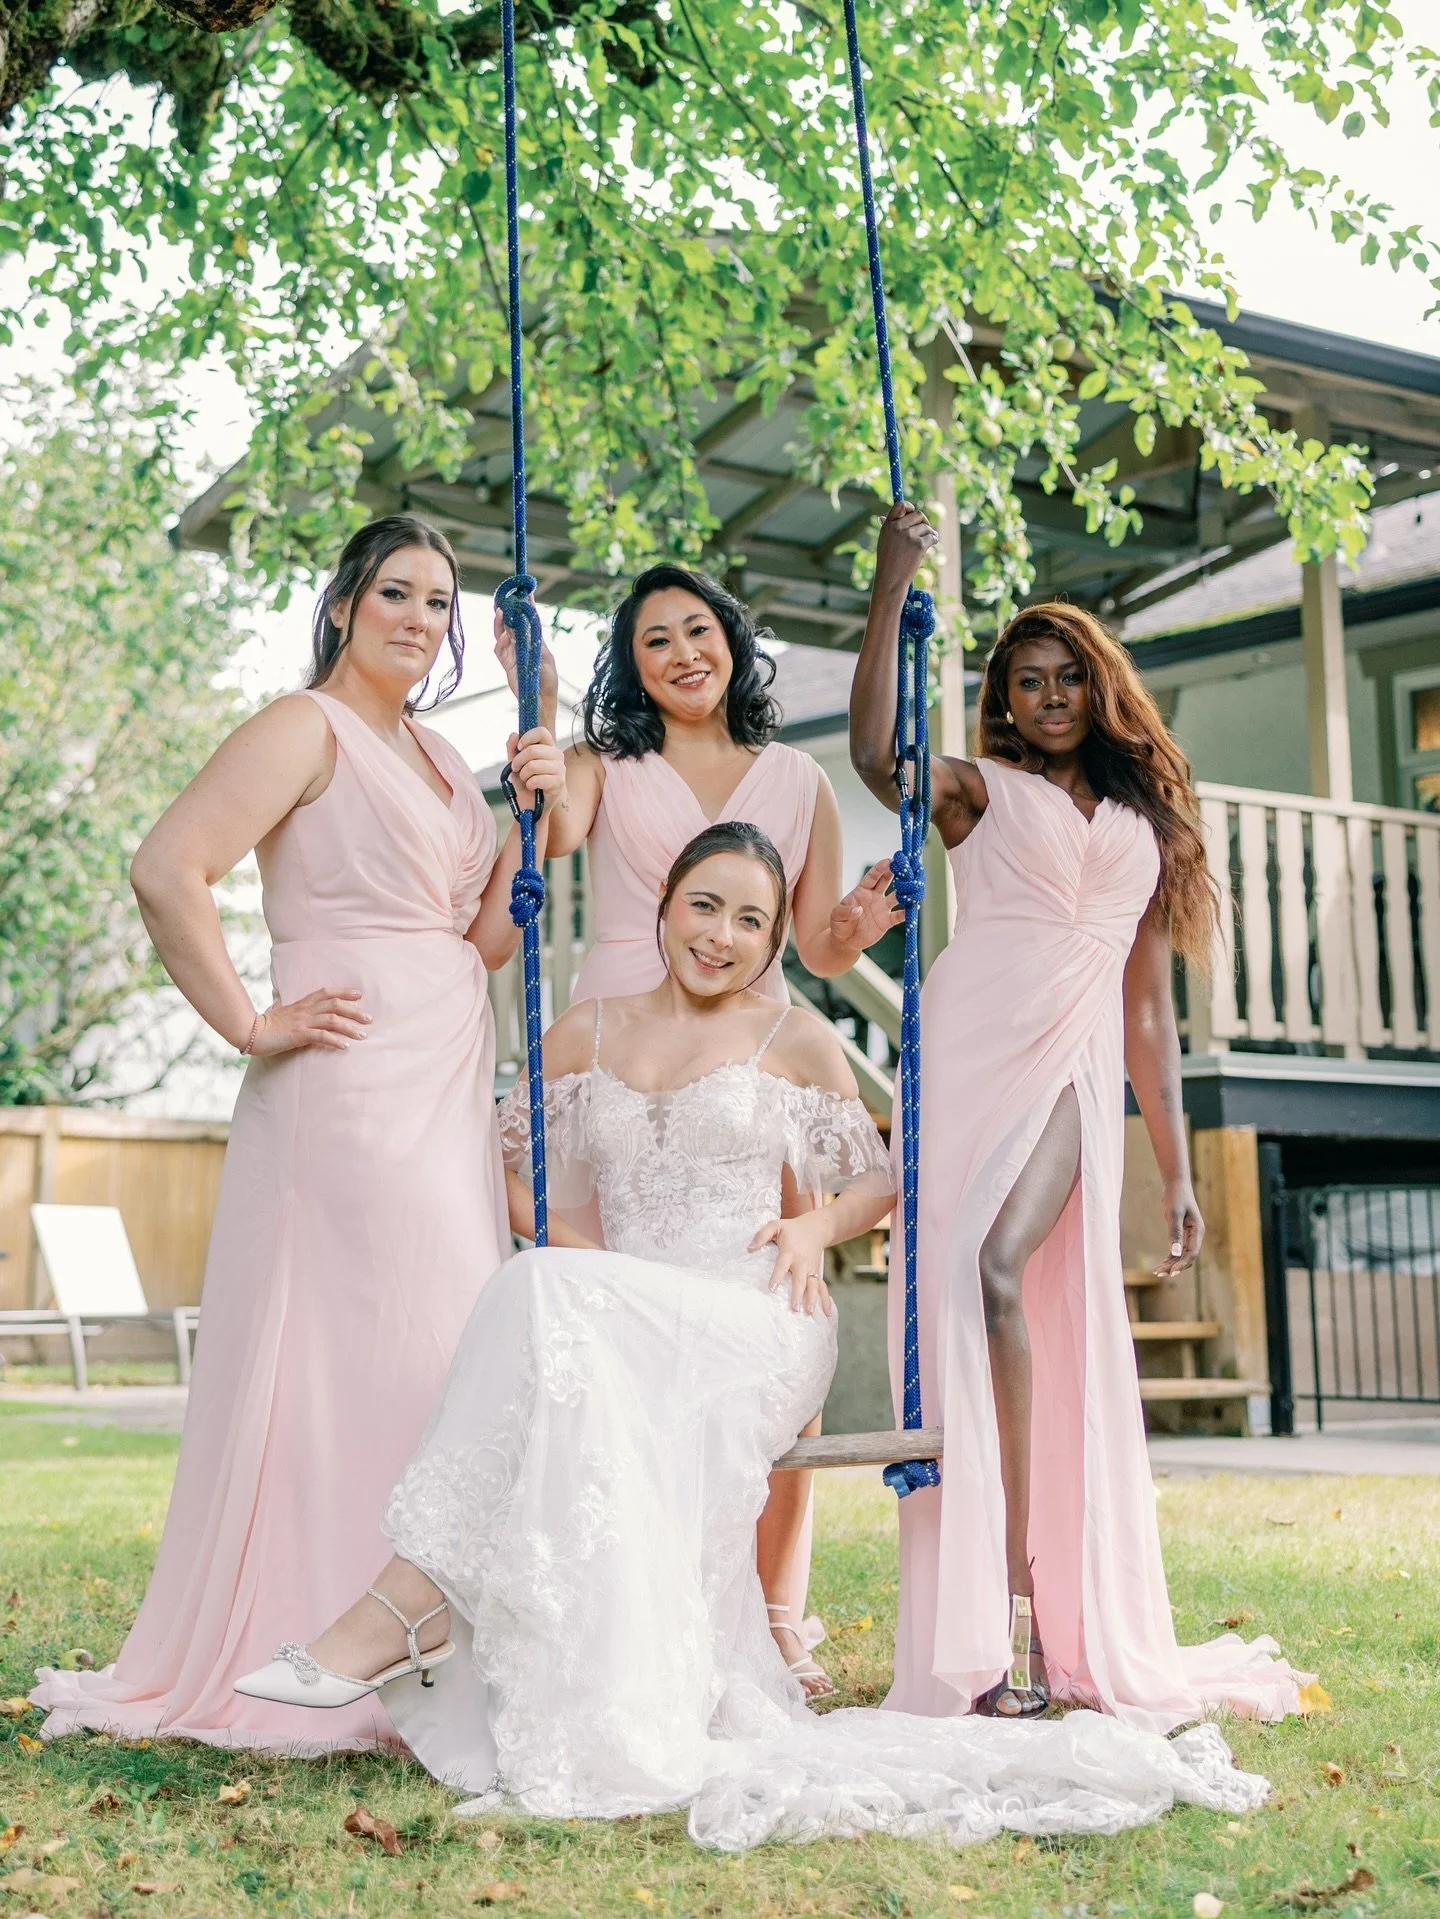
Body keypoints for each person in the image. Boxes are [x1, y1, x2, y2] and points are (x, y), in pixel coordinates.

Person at [232, 823, 1273, 1848]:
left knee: (544, 1291)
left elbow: (878, 1173)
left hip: (760, 1319)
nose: (720, 935)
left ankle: (403, 1605)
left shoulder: (790, 1036)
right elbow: (492, 1142)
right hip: (627, 1315)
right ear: (663, 906)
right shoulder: (588, 1030)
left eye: (750, 920)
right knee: (545, 1287)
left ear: (774, 941)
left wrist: (817, 1223)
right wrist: (570, 1230)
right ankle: (431, 1611)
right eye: (704, 905)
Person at [32, 516, 566, 1752]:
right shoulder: (300, 727)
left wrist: (528, 799)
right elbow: (169, 865)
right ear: (341, 603)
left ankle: (407, 1632)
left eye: (438, 603)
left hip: (444, 1073)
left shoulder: (439, 752)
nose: (418, 619)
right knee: (374, 1344)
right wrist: (249, 1020)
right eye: (396, 592)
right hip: (347, 1089)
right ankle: (318, 1631)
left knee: (448, 1339)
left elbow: (479, 938)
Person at [850, 505, 1309, 1731]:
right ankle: (994, 1625)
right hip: (967, 1044)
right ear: (1003, 699)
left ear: (1101, 689)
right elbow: (877, 754)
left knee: (1006, 1272)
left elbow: (1149, 1014)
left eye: (1069, 678)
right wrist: (894, 581)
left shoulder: (1147, 825)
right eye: (1028, 681)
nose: (1051, 696)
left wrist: (1174, 1167)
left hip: (1072, 1059)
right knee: (964, 1291)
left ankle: (1041, 1615)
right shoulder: (976, 791)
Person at [501, 563, 901, 1690]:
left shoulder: (800, 775)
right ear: (630, 665)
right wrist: (535, 714)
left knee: (773, 1311)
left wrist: (856, 929)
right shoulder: (610, 765)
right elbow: (560, 825)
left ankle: (773, 1613)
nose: (682, 652)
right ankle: (617, 1587)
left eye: (698, 629)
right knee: (609, 1309)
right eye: (654, 639)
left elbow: (813, 947)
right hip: (623, 1036)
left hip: (752, 1041)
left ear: (733, 640)